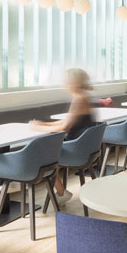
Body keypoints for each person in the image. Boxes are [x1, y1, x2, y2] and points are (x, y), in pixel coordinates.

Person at [29, 68, 96, 203]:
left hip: (75, 150)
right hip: (83, 147)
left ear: (75, 83)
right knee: (43, 148)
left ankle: (23, 178)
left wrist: (39, 128)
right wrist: (43, 125)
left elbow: (65, 127)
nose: (64, 83)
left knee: (40, 151)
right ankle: (22, 178)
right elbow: (67, 121)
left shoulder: (79, 99)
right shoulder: (82, 97)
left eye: (66, 81)